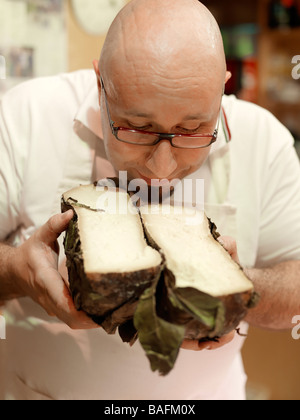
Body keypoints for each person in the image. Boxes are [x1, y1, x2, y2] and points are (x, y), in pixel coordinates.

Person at [0, 0, 300, 400]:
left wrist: (234, 288)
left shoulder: (265, 140)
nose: (161, 167)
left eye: (192, 130)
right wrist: (17, 271)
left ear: (222, 87)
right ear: (100, 85)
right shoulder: (27, 116)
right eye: (138, 128)